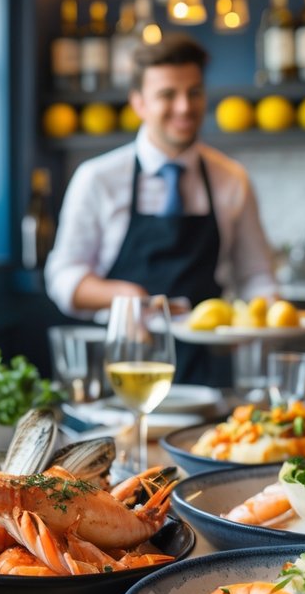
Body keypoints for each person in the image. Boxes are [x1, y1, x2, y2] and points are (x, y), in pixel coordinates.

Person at [43, 34, 276, 383]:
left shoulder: (232, 179)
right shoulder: (97, 179)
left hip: (208, 374)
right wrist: (124, 297)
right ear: (139, 103)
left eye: (194, 92)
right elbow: (63, 277)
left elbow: (257, 276)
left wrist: (263, 322)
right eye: (168, 94)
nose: (184, 107)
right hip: (125, 370)